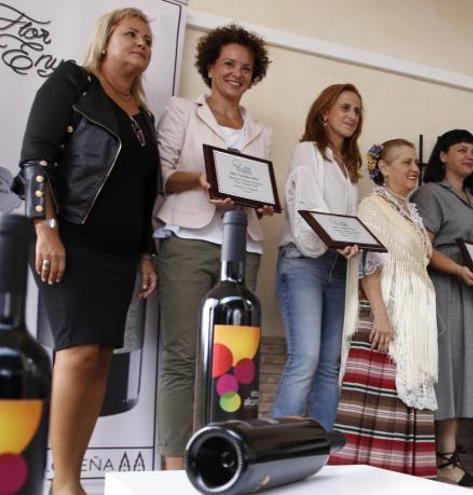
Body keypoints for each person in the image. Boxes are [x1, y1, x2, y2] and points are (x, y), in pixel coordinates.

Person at [12, 8, 159, 494]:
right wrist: (46, 230)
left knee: (100, 358)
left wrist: (144, 253)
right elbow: (36, 157)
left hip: (120, 255)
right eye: (130, 34)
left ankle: (68, 479)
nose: (141, 42)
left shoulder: (144, 116)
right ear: (106, 40)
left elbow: (143, 192)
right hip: (72, 241)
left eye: (147, 38)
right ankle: (65, 483)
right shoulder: (73, 83)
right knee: (76, 354)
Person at [153, 24, 273, 470]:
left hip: (245, 249)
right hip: (187, 242)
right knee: (183, 357)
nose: (237, 73)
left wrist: (263, 198)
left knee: (235, 360)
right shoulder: (184, 111)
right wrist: (203, 179)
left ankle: (223, 458)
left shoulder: (261, 132)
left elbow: (260, 187)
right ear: (210, 66)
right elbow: (162, 176)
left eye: (246, 67)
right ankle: (173, 468)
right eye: (228, 64)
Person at [330, 139, 438, 477]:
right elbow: (368, 262)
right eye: (405, 162)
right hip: (385, 313)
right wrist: (380, 315)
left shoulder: (410, 211)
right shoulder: (372, 207)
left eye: (415, 162)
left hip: (413, 318)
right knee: (377, 401)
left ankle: (404, 479)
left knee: (406, 399)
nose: (413, 169)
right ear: (384, 169)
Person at [411, 129, 473, 489]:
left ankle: (450, 456)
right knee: (447, 370)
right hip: (448, 289)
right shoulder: (431, 193)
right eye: (461, 149)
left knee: (467, 372)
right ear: (443, 155)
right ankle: (445, 461)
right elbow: (422, 248)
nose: (469, 155)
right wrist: (459, 270)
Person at [273, 84, 363, 430]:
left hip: (339, 266)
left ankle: (322, 451)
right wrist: (338, 238)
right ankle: (280, 450)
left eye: (356, 110)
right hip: (304, 262)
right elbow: (306, 207)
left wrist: (349, 243)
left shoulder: (349, 165)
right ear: (324, 112)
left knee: (330, 362)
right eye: (344, 108)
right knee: (305, 358)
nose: (352, 116)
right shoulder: (308, 150)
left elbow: (348, 220)